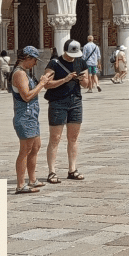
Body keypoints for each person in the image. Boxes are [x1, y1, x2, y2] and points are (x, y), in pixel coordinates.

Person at [44, 39, 90, 183]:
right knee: (55, 138)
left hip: (75, 101)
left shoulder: (81, 62)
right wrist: (65, 79)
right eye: (70, 54)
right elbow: (46, 84)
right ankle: (52, 171)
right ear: (64, 51)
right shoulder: (54, 63)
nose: (72, 57)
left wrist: (82, 79)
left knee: (73, 137)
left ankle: (72, 169)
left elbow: (87, 84)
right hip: (58, 102)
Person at [11, 45, 55, 194]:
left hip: (31, 117)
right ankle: (20, 184)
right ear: (27, 58)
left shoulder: (24, 73)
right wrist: (41, 84)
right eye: (34, 60)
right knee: (25, 150)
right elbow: (27, 96)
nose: (35, 63)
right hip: (24, 117)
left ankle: (32, 179)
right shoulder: (19, 74)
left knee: (35, 146)